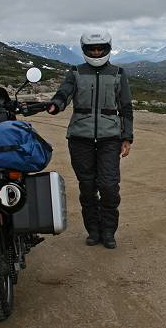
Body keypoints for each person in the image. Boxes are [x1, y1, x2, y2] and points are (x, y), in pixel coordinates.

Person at [47, 31, 133, 249]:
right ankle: (93, 231)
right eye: (92, 49)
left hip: (110, 139)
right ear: (85, 49)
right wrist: (56, 103)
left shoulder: (117, 73)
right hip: (80, 138)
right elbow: (64, 92)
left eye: (100, 48)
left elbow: (125, 107)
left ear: (107, 48)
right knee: (87, 187)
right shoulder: (75, 72)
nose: (96, 52)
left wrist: (127, 137)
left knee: (109, 186)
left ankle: (108, 231)